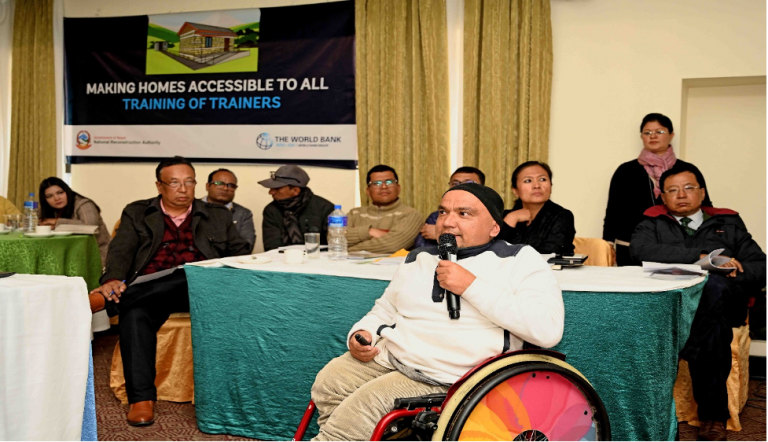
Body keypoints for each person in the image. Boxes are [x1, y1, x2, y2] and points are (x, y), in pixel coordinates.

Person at [311, 183, 564, 441]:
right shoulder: (418, 258)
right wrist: (362, 333)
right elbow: (385, 310)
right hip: (393, 356)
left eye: (464, 214)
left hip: (450, 376)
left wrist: (471, 286)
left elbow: (547, 330)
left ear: (494, 227)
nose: (448, 222)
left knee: (356, 415)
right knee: (329, 383)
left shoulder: (520, 259)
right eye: (443, 212)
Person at [87, 156, 249, 427]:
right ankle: (141, 399)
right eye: (174, 183)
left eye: (189, 182)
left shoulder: (218, 215)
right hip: (150, 291)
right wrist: (113, 278)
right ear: (159, 186)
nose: (183, 189)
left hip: (199, 291)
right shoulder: (138, 212)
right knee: (135, 313)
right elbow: (122, 249)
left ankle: (109, 301)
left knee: (188, 273)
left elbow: (239, 254)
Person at [630, 163, 766, 442]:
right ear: (663, 197)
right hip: (671, 309)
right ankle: (713, 418)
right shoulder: (652, 223)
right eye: (672, 190)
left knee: (714, 286)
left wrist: (733, 273)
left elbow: (761, 266)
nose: (681, 194)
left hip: (726, 305)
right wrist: (702, 257)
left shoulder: (728, 223)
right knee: (713, 332)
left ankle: (690, 350)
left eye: (689, 187)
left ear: (702, 192)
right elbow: (641, 251)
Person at [604, 113, 712, 266]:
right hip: (631, 246)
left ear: (671, 135)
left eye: (659, 132)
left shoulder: (687, 169)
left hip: (680, 247)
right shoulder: (626, 170)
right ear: (641, 137)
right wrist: (607, 244)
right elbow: (613, 210)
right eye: (647, 133)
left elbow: (705, 206)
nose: (652, 136)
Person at [498, 161, 576, 255]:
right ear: (515, 191)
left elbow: (550, 253)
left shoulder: (563, 216)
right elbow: (490, 254)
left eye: (542, 179)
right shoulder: (506, 216)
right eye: (528, 181)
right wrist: (511, 219)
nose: (537, 185)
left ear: (550, 186)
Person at [346, 165, 423, 254]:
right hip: (349, 266)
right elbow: (335, 238)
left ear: (398, 188)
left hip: (393, 267)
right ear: (368, 191)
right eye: (376, 183)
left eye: (389, 182)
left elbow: (393, 245)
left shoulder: (411, 214)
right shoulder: (354, 213)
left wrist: (348, 249)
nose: (384, 187)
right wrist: (369, 231)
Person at [259, 164, 335, 252]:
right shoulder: (271, 210)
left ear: (295, 190)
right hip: (282, 261)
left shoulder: (324, 208)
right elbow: (271, 247)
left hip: (318, 260)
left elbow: (333, 245)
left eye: (276, 188)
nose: (271, 192)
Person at [38, 177, 111, 265]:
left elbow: (90, 226)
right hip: (64, 254)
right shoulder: (48, 210)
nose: (56, 198)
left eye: (60, 193)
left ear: (67, 191)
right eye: (49, 196)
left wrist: (56, 222)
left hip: (97, 254)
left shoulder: (83, 204)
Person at [413, 166, 485, 249]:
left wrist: (441, 236)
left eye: (468, 183)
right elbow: (421, 248)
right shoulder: (436, 216)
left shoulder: (489, 215)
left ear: (482, 187)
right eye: (455, 184)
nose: (460, 187)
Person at [204, 168, 256, 252]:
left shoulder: (243, 214)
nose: (225, 188)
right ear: (207, 186)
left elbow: (247, 247)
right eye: (219, 183)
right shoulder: (192, 208)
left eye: (231, 185)